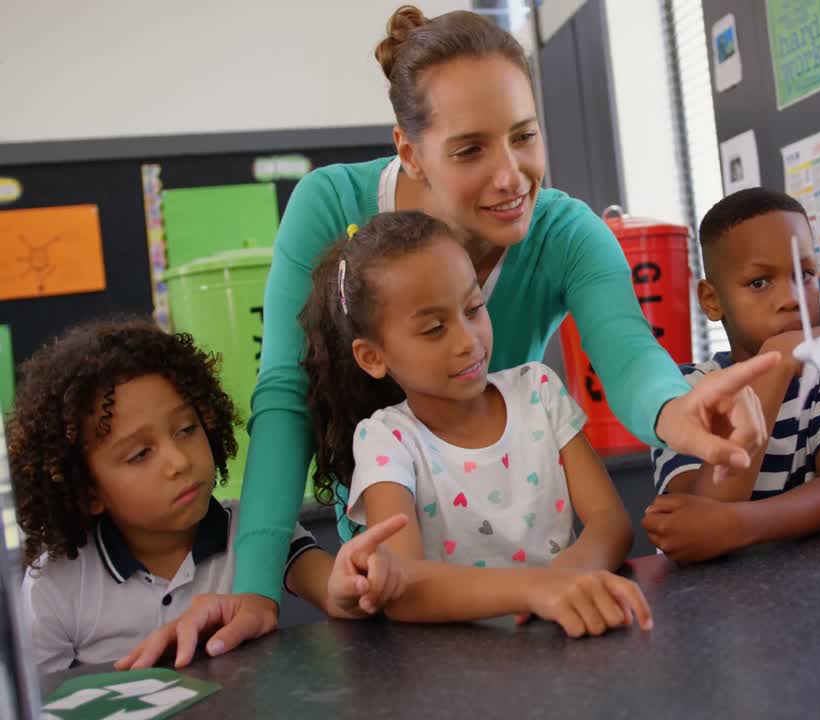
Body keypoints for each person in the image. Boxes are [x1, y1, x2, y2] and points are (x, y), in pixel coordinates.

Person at [194, 6, 772, 658]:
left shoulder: (565, 233)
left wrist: (674, 407)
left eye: (524, 137)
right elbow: (284, 395)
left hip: (526, 547)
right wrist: (255, 587)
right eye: (470, 149)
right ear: (410, 152)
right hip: (405, 560)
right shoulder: (331, 207)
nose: (510, 175)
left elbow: (628, 351)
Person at [302, 211, 652, 636]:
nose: (468, 340)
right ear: (373, 357)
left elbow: (610, 522)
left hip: (563, 636)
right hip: (455, 673)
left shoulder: (538, 392)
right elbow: (405, 587)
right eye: (434, 329)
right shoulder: (386, 440)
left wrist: (571, 581)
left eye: (474, 308)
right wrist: (539, 588)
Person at [8, 319, 407, 673]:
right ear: (87, 491)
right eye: (140, 454)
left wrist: (353, 585)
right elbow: (43, 700)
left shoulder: (255, 531)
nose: (178, 461)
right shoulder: (55, 584)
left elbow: (334, 590)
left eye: (185, 429)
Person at [646, 189, 820, 563]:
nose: (792, 298)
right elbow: (695, 517)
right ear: (712, 300)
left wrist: (739, 525)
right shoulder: (684, 391)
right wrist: (776, 365)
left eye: (804, 274)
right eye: (759, 282)